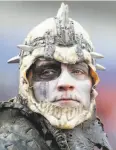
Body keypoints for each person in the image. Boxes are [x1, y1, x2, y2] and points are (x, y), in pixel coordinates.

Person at [0, 3, 112, 150]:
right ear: (26, 81)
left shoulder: (99, 141)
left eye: (78, 71)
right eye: (47, 71)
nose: (65, 83)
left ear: (92, 84)